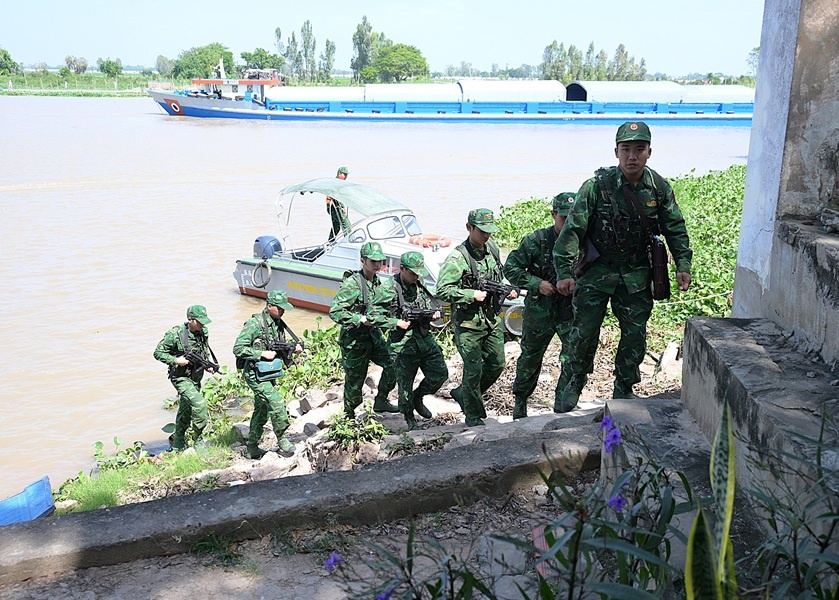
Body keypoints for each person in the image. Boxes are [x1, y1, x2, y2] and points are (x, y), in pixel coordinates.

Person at [553, 121, 693, 411]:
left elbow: (675, 227)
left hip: (636, 274)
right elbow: (573, 231)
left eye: (639, 149)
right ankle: (572, 384)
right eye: (626, 149)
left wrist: (683, 263)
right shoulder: (595, 187)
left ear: (649, 152)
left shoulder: (658, 188)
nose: (632, 156)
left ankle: (624, 388)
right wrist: (564, 272)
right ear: (616, 152)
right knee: (583, 333)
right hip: (596, 271)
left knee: (634, 334)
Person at [436, 208, 518, 427]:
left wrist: (507, 290)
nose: (486, 235)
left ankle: (463, 394)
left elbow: (498, 277)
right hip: (468, 324)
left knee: (497, 364)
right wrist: (470, 294)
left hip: (491, 319)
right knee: (473, 370)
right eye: (482, 231)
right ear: (469, 228)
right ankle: (473, 415)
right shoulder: (458, 258)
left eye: (489, 231)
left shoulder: (492, 249)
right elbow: (441, 290)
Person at [504, 192, 577, 419]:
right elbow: (511, 268)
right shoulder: (537, 240)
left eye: (573, 218)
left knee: (573, 357)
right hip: (539, 310)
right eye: (564, 218)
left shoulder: (584, 241)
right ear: (553, 214)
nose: (568, 224)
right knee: (530, 358)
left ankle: (563, 404)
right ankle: (520, 402)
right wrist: (537, 284)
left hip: (570, 310)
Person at [370, 251, 449, 429]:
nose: (416, 277)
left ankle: (417, 397)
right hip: (402, 346)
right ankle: (409, 419)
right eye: (413, 273)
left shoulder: (419, 284)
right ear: (402, 269)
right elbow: (372, 315)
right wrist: (395, 322)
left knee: (440, 374)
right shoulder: (388, 289)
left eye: (418, 273)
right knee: (404, 386)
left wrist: (432, 315)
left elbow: (426, 305)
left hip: (424, 340)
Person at [329, 241, 400, 418]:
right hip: (354, 341)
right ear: (363, 261)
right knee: (354, 383)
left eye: (380, 261)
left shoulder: (378, 282)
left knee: (394, 364)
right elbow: (335, 311)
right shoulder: (353, 284)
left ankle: (381, 401)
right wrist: (359, 319)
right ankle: (349, 415)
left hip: (374, 337)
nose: (377, 265)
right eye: (373, 261)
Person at [233, 290, 302, 459]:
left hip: (268, 374)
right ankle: (282, 438)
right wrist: (261, 353)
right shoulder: (255, 324)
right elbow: (238, 348)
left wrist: (293, 349)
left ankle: (252, 447)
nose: (283, 311)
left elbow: (278, 345)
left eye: (284, 308)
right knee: (277, 404)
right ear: (269, 306)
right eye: (280, 308)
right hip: (254, 374)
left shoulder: (278, 323)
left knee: (261, 410)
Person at [153, 305, 217, 452]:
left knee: (186, 409)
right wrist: (176, 360)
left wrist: (207, 365)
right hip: (180, 377)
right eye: (199, 322)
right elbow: (158, 353)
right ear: (190, 320)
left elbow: (204, 350)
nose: (202, 325)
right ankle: (198, 440)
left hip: (196, 377)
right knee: (199, 404)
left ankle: (178, 441)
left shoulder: (203, 332)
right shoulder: (175, 334)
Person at [327, 166, 351, 243]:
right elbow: (332, 196)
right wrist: (342, 208)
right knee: (346, 225)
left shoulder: (338, 182)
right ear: (339, 174)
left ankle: (330, 242)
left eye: (347, 175)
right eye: (345, 174)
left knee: (336, 226)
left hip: (335, 207)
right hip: (336, 207)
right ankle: (349, 241)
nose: (346, 177)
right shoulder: (336, 183)